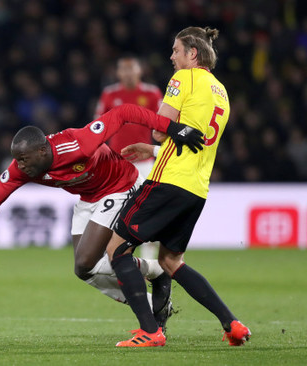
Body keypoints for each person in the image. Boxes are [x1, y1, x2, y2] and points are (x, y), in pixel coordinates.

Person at [0, 103, 204, 330]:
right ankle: (155, 289)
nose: (19, 166)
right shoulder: (23, 169)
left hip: (121, 186)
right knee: (83, 270)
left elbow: (124, 113)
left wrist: (172, 128)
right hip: (89, 198)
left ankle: (155, 280)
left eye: (23, 159)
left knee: (88, 257)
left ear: (42, 151)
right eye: (16, 160)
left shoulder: (78, 143)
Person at [105, 26, 251, 348]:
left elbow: (160, 130)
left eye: (176, 50)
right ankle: (232, 324)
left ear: (192, 54)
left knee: (116, 248)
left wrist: (156, 143)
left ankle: (150, 331)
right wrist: (154, 151)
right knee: (171, 262)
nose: (172, 57)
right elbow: (195, 143)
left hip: (167, 182)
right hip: (196, 189)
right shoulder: (221, 92)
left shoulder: (184, 79)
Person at [95, 55, 163, 260]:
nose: (127, 73)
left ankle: (149, 258)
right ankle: (115, 255)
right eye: (123, 70)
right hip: (117, 164)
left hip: (145, 163)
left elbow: (163, 123)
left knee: (148, 208)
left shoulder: (151, 94)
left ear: (139, 71)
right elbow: (97, 126)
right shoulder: (110, 94)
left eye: (131, 69)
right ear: (117, 73)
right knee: (115, 209)